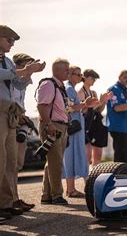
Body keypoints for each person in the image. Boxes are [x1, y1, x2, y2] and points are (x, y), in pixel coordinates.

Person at [0, 25, 45, 219]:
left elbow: (16, 84)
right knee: (0, 159)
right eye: (9, 40)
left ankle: (6, 203)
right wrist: (23, 70)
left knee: (9, 161)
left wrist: (29, 74)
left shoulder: (8, 61)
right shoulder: (7, 64)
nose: (12, 44)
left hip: (9, 113)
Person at [36, 58, 71, 205]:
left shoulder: (60, 86)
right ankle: (57, 195)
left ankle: (47, 195)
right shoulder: (49, 84)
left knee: (52, 161)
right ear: (56, 70)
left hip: (61, 126)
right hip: (52, 126)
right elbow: (42, 106)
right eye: (66, 70)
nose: (68, 73)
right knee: (56, 163)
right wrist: (49, 124)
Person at [63, 66, 98, 198]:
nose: (80, 77)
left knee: (74, 157)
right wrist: (85, 104)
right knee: (70, 157)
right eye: (77, 74)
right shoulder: (69, 89)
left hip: (77, 128)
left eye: (80, 74)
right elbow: (69, 108)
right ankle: (70, 189)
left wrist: (85, 104)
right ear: (70, 75)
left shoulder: (70, 88)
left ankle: (71, 189)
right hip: (72, 128)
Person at [11, 53, 37, 211]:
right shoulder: (12, 79)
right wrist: (18, 115)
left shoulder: (24, 81)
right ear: (19, 65)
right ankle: (11, 200)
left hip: (19, 123)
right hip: (11, 121)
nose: (32, 68)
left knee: (18, 164)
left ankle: (14, 198)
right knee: (10, 164)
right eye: (29, 65)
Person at [78, 69, 111, 166]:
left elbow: (99, 110)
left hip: (96, 124)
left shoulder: (93, 93)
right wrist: (100, 101)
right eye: (92, 78)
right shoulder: (80, 93)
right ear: (85, 77)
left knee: (98, 155)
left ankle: (94, 177)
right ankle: (87, 179)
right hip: (87, 125)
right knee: (87, 156)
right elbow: (84, 110)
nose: (94, 81)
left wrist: (104, 101)